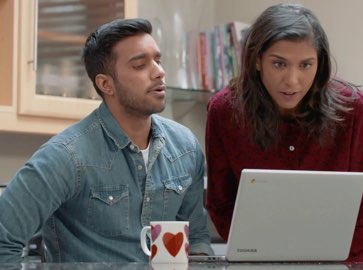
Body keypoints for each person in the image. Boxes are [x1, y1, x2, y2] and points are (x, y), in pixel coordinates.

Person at [0, 18, 213, 262]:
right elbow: (3, 241)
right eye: (140, 65)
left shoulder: (185, 147)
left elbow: (197, 240)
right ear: (105, 84)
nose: (159, 71)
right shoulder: (65, 157)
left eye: (158, 60)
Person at [205, 3, 363, 262]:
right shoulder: (224, 111)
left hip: (342, 263)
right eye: (279, 64)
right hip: (259, 263)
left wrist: (334, 264)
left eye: (305, 65)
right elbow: (221, 205)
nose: (292, 80)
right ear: (257, 60)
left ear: (319, 63)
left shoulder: (353, 109)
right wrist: (260, 256)